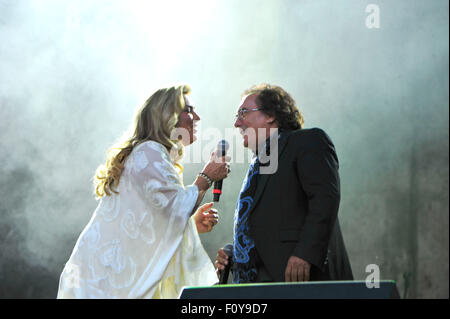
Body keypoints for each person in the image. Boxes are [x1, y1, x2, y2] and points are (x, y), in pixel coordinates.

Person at [57, 85, 230, 298]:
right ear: (167, 116)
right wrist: (207, 176)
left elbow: (145, 227)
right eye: (188, 110)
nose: (196, 117)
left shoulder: (152, 153)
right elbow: (174, 205)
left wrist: (190, 226)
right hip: (103, 280)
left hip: (103, 277)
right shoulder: (149, 152)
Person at [215, 84, 353, 283]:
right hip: (259, 284)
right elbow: (268, 226)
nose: (237, 123)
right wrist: (236, 253)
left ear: (271, 115)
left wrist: (305, 253)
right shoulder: (259, 165)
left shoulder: (306, 141)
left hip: (299, 281)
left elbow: (325, 199)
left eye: (243, 113)